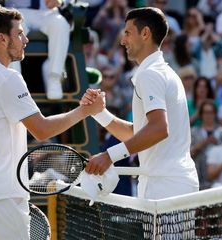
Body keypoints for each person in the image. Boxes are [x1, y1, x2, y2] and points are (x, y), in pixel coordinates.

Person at [0, 5, 104, 240]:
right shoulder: (9, 78)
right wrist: (85, 111)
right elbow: (42, 129)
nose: (25, 39)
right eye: (20, 34)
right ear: (2, 39)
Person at [81, 7, 199, 200]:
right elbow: (140, 134)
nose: (122, 40)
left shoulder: (150, 74)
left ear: (145, 34)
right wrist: (99, 113)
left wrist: (109, 156)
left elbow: (159, 129)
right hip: (170, 184)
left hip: (165, 187)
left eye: (127, 33)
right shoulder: (161, 71)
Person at [5, 0, 70, 100]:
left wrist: (60, 1)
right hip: (15, 11)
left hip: (47, 12)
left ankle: (54, 78)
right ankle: (15, 84)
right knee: (11, 28)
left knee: (61, 25)